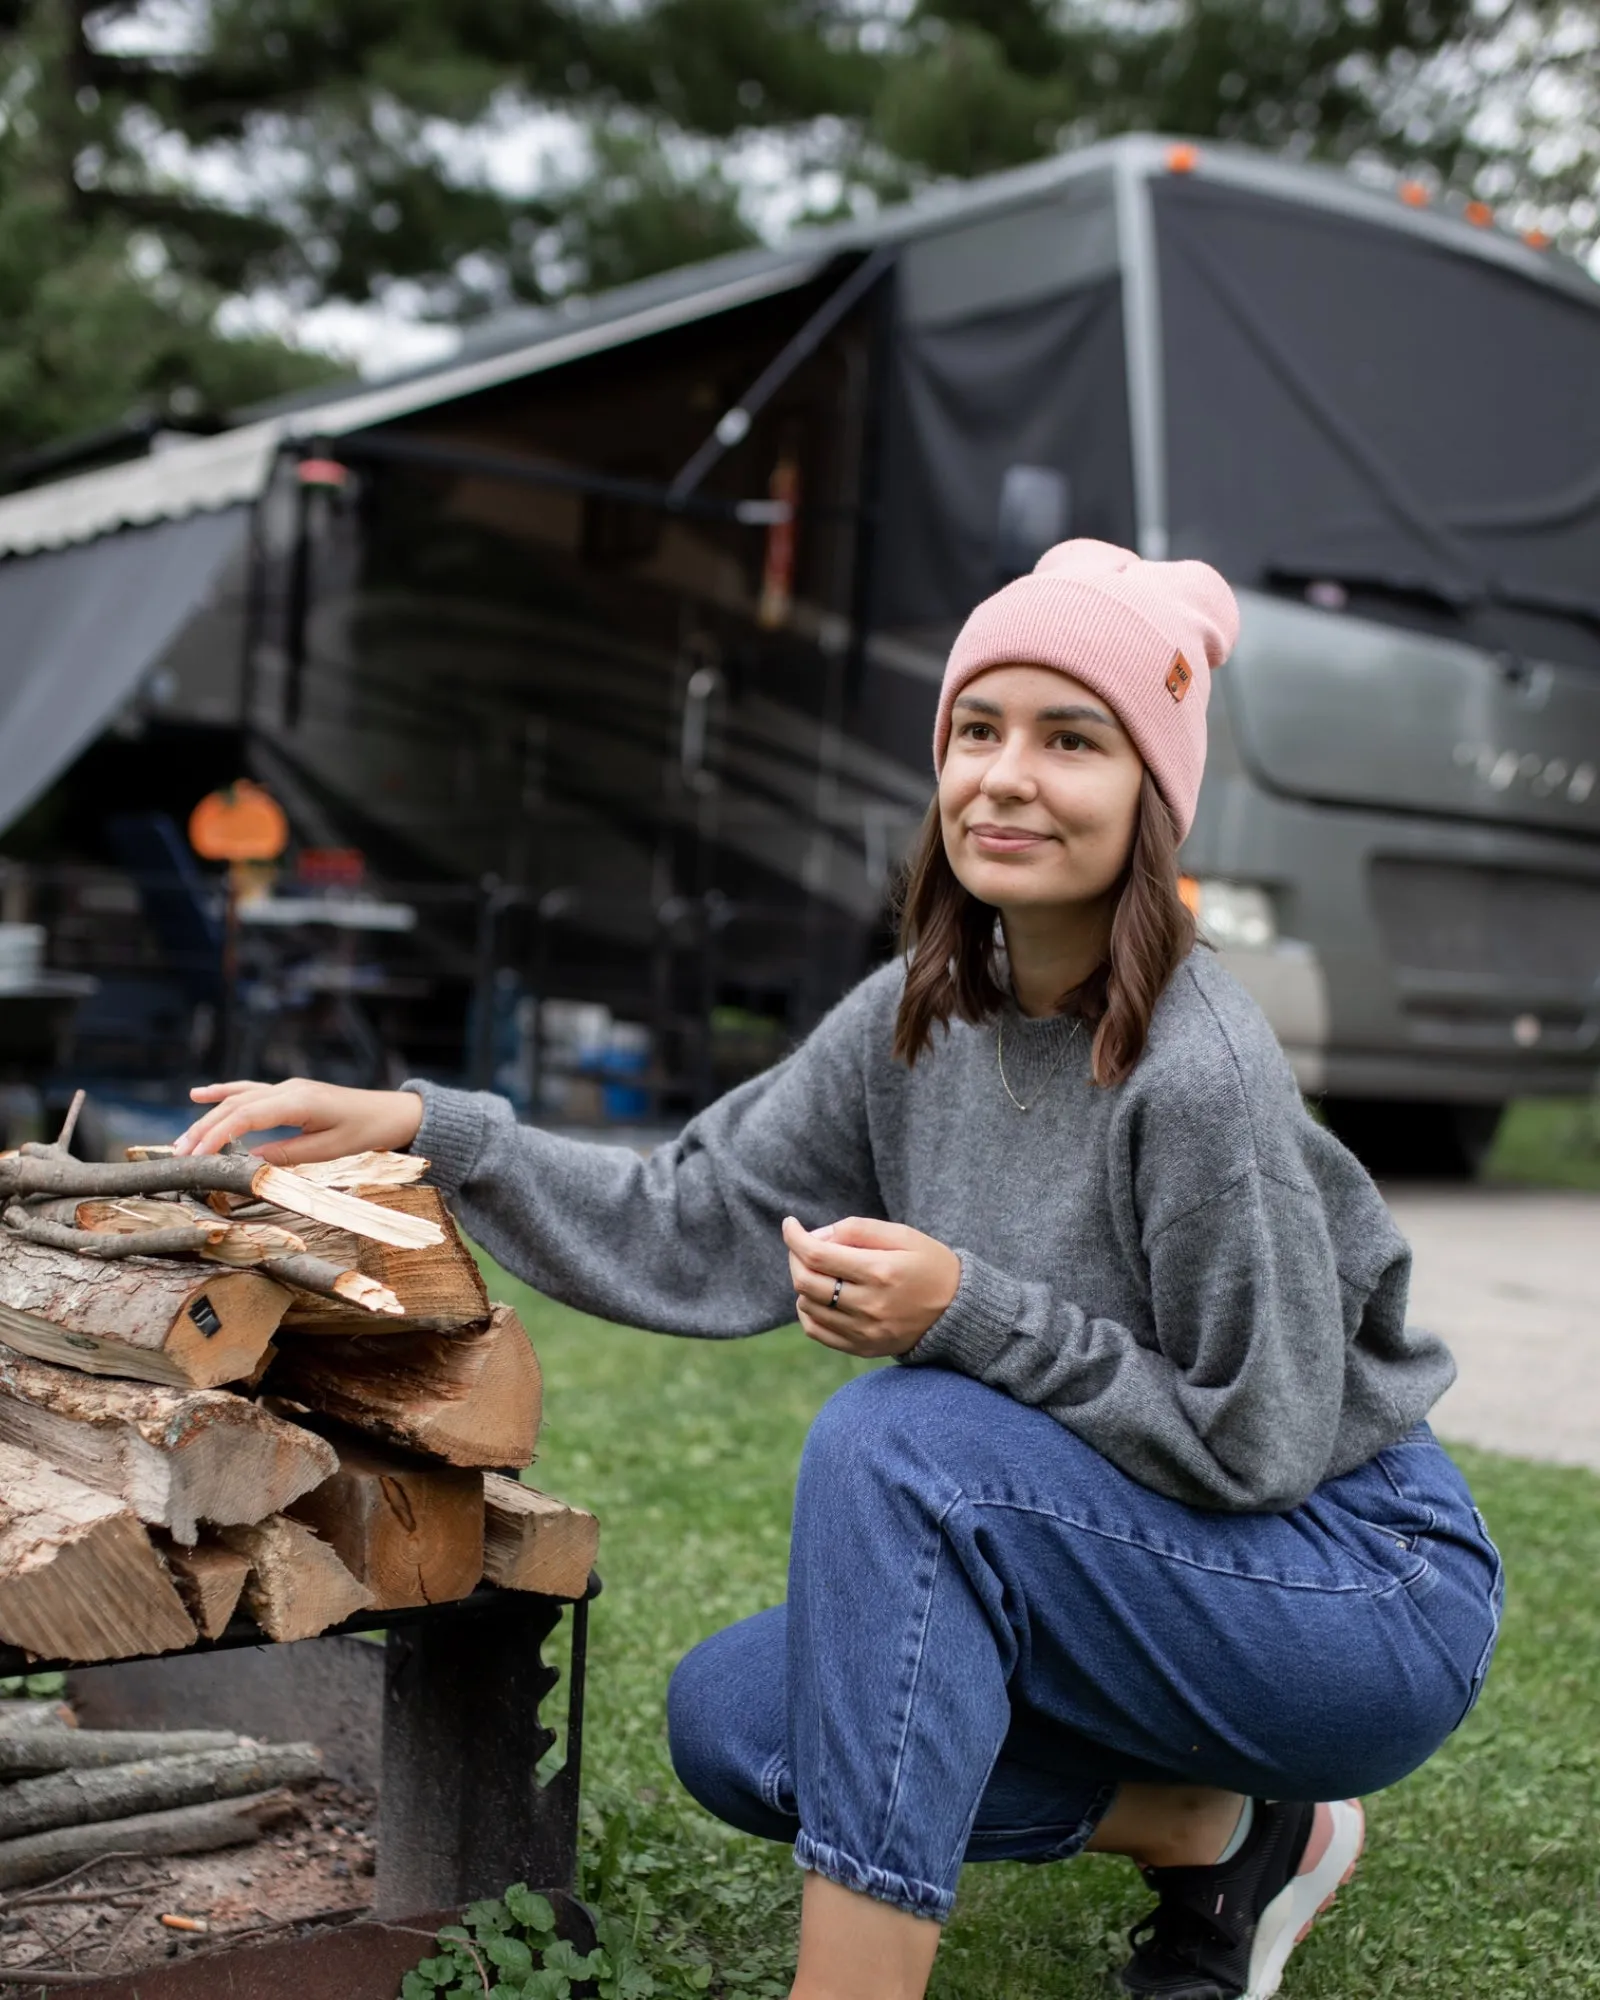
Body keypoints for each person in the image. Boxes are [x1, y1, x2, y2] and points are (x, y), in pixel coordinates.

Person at [174, 540, 1503, 2000]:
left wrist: (971, 1316)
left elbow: (1261, 1440)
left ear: (1154, 792)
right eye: (978, 730)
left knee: (902, 1439)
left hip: (1350, 1590)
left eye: (1073, 740)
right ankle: (1219, 1830)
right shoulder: (920, 1017)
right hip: (1132, 1556)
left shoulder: (1199, 1078)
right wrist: (437, 1130)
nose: (1006, 776)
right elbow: (692, 1219)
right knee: (744, 1719)